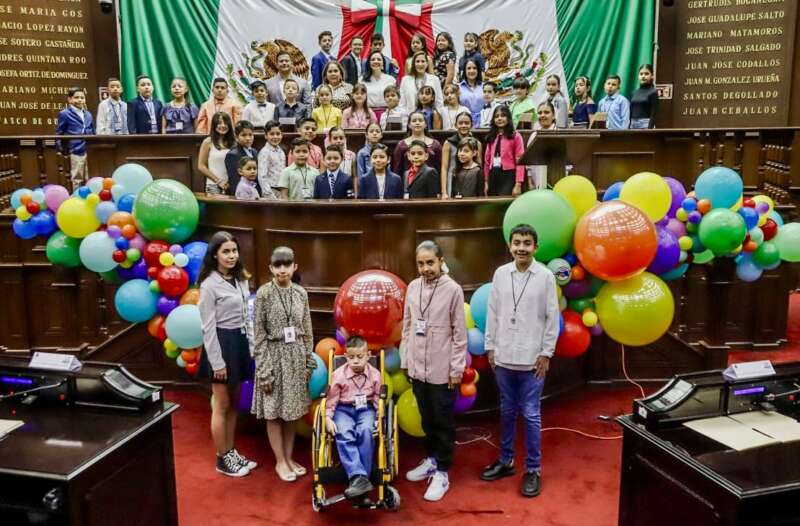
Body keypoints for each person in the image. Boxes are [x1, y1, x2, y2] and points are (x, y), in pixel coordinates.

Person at [480, 224, 559, 498]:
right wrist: (490, 347)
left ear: (535, 247)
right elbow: (493, 313)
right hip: (503, 356)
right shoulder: (501, 274)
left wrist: (546, 353)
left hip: (532, 359)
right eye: (517, 243)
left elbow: (552, 317)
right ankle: (506, 461)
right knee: (506, 411)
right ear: (510, 245)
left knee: (531, 414)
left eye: (527, 243)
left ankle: (533, 469)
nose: (521, 248)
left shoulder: (545, 276)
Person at [402, 240, 467, 502]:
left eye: (430, 262)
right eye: (421, 264)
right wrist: (406, 361)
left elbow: (460, 334)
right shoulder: (413, 287)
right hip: (417, 367)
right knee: (426, 419)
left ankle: (442, 471)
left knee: (442, 422)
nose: (426, 268)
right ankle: (430, 459)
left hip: (442, 369)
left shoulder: (453, 290)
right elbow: (407, 327)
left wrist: (456, 369)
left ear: (441, 261)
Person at [252, 246, 315, 482]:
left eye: (286, 265)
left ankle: (289, 458)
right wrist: (264, 371)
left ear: (294, 267)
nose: (282, 270)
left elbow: (307, 330)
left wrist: (308, 362)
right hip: (273, 356)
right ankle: (280, 461)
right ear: (271, 268)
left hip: (295, 357)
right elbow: (258, 335)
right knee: (274, 413)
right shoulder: (264, 294)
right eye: (277, 265)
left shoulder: (300, 293)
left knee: (292, 412)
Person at [198, 231, 258, 477]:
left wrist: (251, 348)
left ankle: (231, 452)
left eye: (234, 251)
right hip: (221, 344)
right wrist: (217, 363)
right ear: (215, 255)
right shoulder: (209, 285)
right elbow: (208, 327)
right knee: (221, 404)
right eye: (226, 252)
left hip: (240, 343)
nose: (232, 255)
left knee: (233, 404)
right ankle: (222, 458)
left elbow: (246, 316)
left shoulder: (240, 278)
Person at [325, 335, 383, 499]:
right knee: (344, 431)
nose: (355, 361)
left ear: (368, 355)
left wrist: (379, 418)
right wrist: (328, 418)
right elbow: (331, 401)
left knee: (366, 431)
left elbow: (378, 399)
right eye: (351, 357)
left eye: (359, 356)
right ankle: (359, 477)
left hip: (366, 409)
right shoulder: (339, 375)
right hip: (343, 409)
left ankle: (360, 480)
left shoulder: (375, 375)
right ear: (346, 357)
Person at [56, 87, 94, 190]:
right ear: (69, 99)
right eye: (76, 97)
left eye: (82, 97)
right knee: (77, 177)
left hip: (89, 149)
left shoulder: (88, 114)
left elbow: (92, 130)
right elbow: (59, 133)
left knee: (90, 177)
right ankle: (76, 197)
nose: (80, 100)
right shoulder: (64, 114)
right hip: (75, 149)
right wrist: (62, 150)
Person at [483, 105, 525, 197]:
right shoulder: (491, 136)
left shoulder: (515, 136)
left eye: (503, 115)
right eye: (496, 116)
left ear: (508, 118)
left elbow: (520, 161)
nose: (499, 118)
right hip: (493, 174)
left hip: (508, 175)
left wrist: (518, 184)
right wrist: (486, 181)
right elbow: (487, 161)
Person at [440, 111, 481, 198]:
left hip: (471, 180)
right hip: (452, 178)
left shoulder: (477, 143)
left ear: (471, 125)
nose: (463, 125)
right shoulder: (448, 143)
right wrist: (444, 192)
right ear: (455, 125)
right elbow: (444, 168)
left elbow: (479, 164)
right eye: (460, 123)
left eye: (467, 123)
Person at [392, 111, 442, 176]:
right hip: (408, 180)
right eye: (414, 121)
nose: (417, 123)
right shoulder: (401, 145)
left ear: (426, 124)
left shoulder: (436, 144)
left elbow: (440, 168)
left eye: (420, 120)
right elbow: (397, 170)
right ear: (409, 125)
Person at [198, 112, 235, 194]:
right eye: (219, 123)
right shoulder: (207, 142)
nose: (223, 125)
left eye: (225, 123)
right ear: (214, 125)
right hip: (213, 185)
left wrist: (229, 182)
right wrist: (218, 181)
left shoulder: (234, 142)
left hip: (232, 185)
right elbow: (201, 166)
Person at [399, 51, 444, 116]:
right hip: (410, 118)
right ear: (413, 64)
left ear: (427, 64)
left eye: (423, 61)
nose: (420, 64)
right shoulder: (405, 80)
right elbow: (402, 104)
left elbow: (439, 103)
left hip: (430, 118)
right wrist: (406, 119)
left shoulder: (435, 80)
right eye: (417, 61)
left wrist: (437, 117)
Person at [526, 102, 557, 190]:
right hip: (537, 181)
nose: (542, 115)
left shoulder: (560, 134)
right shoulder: (533, 136)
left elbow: (567, 163)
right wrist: (530, 181)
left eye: (546, 112)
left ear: (553, 116)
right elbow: (529, 161)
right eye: (540, 113)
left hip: (557, 181)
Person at [225, 120, 258, 196]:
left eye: (250, 135)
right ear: (237, 137)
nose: (248, 138)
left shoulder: (254, 152)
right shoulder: (232, 155)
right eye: (244, 135)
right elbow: (234, 181)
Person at [363, 51, 397, 121]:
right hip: (368, 114)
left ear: (383, 63)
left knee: (392, 128)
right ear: (369, 63)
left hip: (389, 113)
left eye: (379, 59)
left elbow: (396, 100)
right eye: (373, 59)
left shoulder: (391, 79)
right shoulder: (361, 80)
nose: (376, 61)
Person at [257, 120, 285, 200]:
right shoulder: (264, 152)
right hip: (271, 191)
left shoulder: (281, 151)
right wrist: (270, 195)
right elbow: (262, 176)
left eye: (278, 134)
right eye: (272, 134)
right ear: (266, 136)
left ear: (282, 135)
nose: (275, 137)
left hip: (281, 190)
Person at [630, 64, 658, 129]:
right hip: (632, 125)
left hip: (646, 125)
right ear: (638, 76)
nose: (643, 76)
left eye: (646, 74)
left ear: (652, 76)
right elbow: (630, 112)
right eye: (641, 74)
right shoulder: (634, 93)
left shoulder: (653, 92)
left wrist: (649, 129)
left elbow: (654, 113)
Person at [458, 59, 484, 126]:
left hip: (483, 123)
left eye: (474, 68)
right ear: (465, 71)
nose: (471, 71)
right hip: (464, 124)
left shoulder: (484, 87)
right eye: (469, 68)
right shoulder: (458, 88)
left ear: (478, 70)